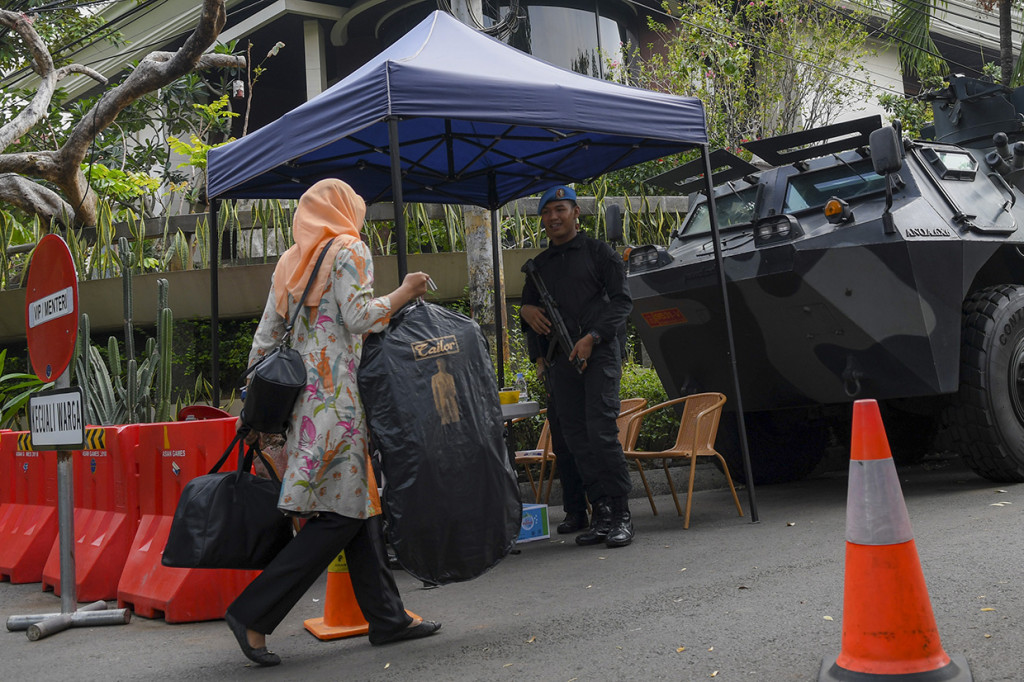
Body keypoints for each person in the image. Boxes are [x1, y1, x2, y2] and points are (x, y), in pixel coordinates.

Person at [225, 178, 441, 667]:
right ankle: (253, 614)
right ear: (347, 212)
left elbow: (264, 341)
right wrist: (406, 291)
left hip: (303, 408)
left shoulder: (290, 261)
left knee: (358, 508)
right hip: (339, 404)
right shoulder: (349, 247)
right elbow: (361, 316)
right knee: (340, 515)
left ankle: (387, 618)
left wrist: (255, 409)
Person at [519, 185, 635, 548]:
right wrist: (526, 311)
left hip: (597, 353)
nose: (554, 217)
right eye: (547, 212)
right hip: (561, 361)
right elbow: (528, 312)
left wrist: (594, 336)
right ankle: (599, 512)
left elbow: (622, 303)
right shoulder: (539, 266)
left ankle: (621, 514)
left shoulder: (600, 253)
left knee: (600, 433)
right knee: (577, 439)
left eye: (560, 210)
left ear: (575, 213)